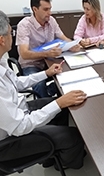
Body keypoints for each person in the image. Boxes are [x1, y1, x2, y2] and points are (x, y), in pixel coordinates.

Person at [0, 10, 86, 169]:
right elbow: (21, 127)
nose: (13, 35)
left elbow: (17, 83)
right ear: (1, 40)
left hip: (19, 113)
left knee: (63, 108)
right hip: (9, 142)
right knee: (74, 136)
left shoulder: (1, 62)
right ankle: (65, 163)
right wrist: (58, 103)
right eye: (10, 33)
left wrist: (46, 73)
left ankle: (51, 153)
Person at [16, 0, 81, 98]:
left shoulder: (51, 21)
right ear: (35, 9)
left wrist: (72, 45)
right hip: (32, 64)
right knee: (39, 84)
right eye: (45, 10)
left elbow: (63, 37)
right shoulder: (24, 25)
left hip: (50, 60)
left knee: (71, 74)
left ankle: (52, 93)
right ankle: (46, 107)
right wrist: (46, 53)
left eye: (50, 9)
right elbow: (24, 54)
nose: (49, 13)